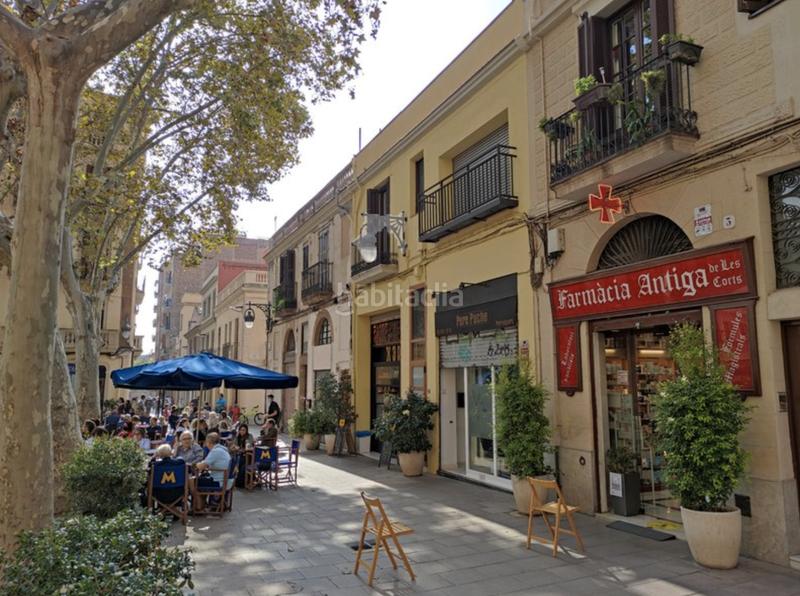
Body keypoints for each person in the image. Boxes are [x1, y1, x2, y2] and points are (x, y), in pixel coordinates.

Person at [229, 423, 254, 488]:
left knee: (240, 463)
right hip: (239, 455)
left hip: (248, 455)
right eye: (240, 430)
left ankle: (239, 482)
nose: (242, 432)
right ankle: (233, 480)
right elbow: (233, 446)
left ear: (246, 430)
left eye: (243, 430)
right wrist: (234, 448)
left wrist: (239, 449)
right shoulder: (238, 437)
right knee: (234, 461)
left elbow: (248, 447)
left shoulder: (249, 436)